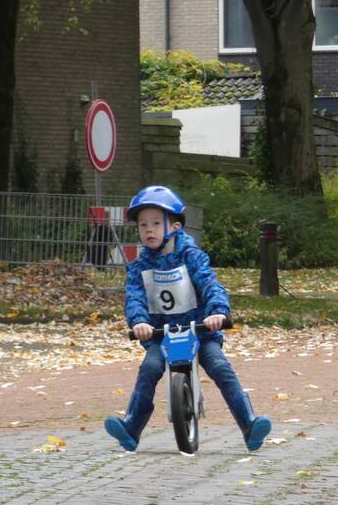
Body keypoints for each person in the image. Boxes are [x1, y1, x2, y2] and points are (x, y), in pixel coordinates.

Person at [103, 185, 272, 453]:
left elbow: (209, 283)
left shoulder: (191, 256)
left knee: (220, 367)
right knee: (150, 368)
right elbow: (134, 297)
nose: (148, 230)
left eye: (156, 223)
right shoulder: (139, 267)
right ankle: (132, 427)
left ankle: (249, 424)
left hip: (200, 329)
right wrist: (139, 322)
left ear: (176, 227)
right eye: (143, 225)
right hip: (161, 334)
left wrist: (218, 312)